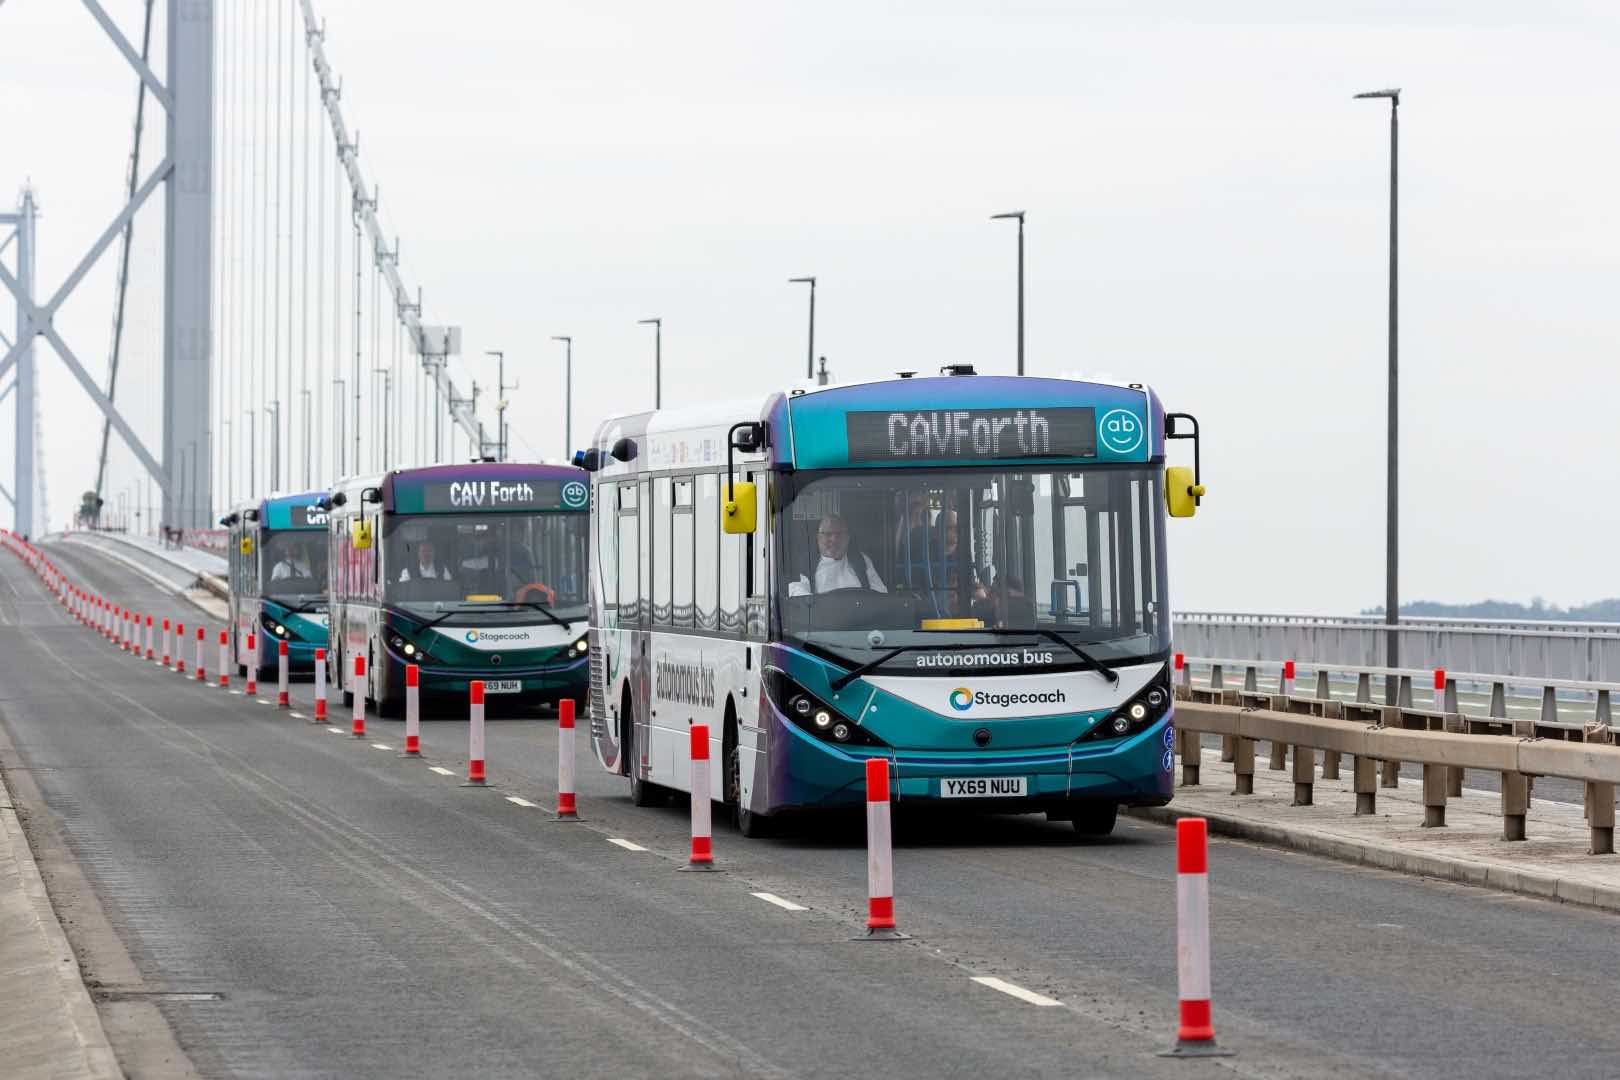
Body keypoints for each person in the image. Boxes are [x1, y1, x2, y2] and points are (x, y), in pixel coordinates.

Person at [788, 513, 886, 597]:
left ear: (848, 538)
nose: (834, 540)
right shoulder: (806, 564)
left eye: (839, 534)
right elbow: (798, 593)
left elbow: (881, 593)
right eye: (828, 534)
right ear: (818, 538)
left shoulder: (861, 560)